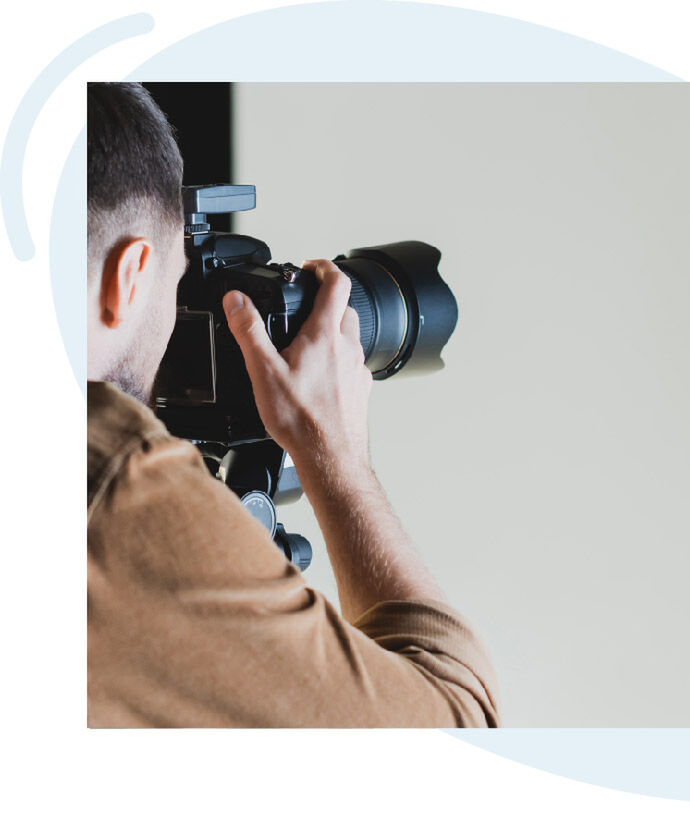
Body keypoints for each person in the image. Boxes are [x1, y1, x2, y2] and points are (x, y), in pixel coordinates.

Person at [87, 82, 498, 727]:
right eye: (175, 281)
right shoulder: (115, 492)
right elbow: (457, 729)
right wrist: (337, 460)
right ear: (129, 276)